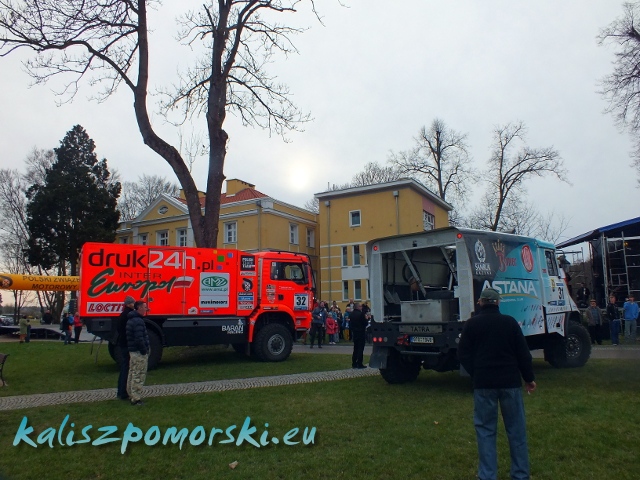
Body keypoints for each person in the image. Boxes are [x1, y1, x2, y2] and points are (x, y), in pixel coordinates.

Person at [457, 288, 536, 480]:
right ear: (498, 302)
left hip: (483, 383)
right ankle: (520, 474)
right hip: (510, 382)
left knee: (485, 430)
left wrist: (476, 372)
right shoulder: (510, 323)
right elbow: (523, 354)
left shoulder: (471, 324)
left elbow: (463, 353)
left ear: (481, 302)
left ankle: (487, 475)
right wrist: (529, 378)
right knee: (516, 429)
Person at [126, 300, 150, 406]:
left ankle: (131, 393)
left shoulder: (131, 319)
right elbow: (139, 338)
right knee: (139, 374)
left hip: (133, 351)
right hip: (138, 352)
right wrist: (144, 350)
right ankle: (136, 398)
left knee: (132, 372)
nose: (146, 309)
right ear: (139, 308)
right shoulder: (138, 321)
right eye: (145, 307)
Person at [116, 296, 135, 400]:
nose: (134, 304)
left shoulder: (123, 314)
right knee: (126, 368)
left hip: (123, 343)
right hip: (127, 344)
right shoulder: (129, 315)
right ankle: (123, 392)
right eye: (132, 303)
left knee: (124, 367)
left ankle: (121, 391)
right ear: (128, 304)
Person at [350, 303, 368, 369]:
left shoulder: (351, 314)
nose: (361, 307)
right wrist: (366, 319)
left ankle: (354, 363)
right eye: (360, 306)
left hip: (355, 333)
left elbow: (351, 324)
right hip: (361, 332)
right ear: (358, 307)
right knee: (360, 348)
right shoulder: (361, 314)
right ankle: (359, 363)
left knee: (355, 348)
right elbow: (365, 323)